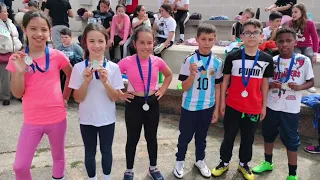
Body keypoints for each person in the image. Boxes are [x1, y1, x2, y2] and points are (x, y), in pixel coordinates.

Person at [7, 10, 72, 180]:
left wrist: (65, 96)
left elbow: (71, 74)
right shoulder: (17, 59)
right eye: (33, 28)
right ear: (24, 29)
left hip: (57, 118)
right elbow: (16, 92)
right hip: (32, 121)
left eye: (44, 29)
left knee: (58, 158)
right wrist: (20, 72)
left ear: (49, 31)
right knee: (20, 167)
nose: (39, 33)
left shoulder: (58, 56)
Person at [211, 19, 274, 180]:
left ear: (261, 36)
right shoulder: (233, 56)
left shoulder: (267, 59)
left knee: (248, 138)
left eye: (255, 33)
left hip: (253, 107)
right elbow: (225, 80)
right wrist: (223, 102)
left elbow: (265, 85)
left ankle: (244, 163)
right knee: (229, 136)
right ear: (242, 36)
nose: (251, 36)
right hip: (233, 105)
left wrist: (264, 106)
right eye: (247, 33)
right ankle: (224, 162)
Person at [252, 27, 315, 180]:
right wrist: (272, 84)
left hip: (291, 109)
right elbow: (263, 83)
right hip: (272, 106)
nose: (284, 44)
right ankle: (268, 162)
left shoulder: (303, 60)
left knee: (292, 141)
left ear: (295, 42)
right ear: (276, 43)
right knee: (268, 135)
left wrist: (300, 87)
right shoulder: (272, 61)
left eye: (288, 41)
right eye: (280, 41)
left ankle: (292, 174)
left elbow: (311, 81)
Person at [69, 23, 124, 180]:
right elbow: (78, 98)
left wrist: (106, 82)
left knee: (106, 150)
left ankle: (107, 177)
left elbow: (115, 97)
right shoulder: (79, 68)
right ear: (85, 42)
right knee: (89, 152)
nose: (96, 45)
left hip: (107, 119)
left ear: (107, 43)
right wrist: (85, 82)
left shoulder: (113, 68)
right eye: (91, 41)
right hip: (87, 119)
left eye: (100, 41)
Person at [118, 25, 173, 180]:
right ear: (135, 44)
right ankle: (129, 170)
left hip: (152, 103)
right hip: (134, 104)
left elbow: (168, 76)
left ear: (154, 43)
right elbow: (111, 76)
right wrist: (120, 94)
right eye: (142, 42)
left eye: (149, 42)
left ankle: (153, 168)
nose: (146, 46)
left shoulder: (157, 61)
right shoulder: (126, 62)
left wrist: (162, 90)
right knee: (132, 138)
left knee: (151, 137)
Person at [173, 23, 223, 178]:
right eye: (203, 39)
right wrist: (192, 75)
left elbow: (218, 87)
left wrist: (216, 109)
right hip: (190, 106)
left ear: (215, 40)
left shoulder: (217, 62)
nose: (206, 43)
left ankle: (200, 160)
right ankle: (179, 160)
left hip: (208, 106)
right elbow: (184, 87)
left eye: (210, 39)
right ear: (197, 40)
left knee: (202, 137)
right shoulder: (189, 60)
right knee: (185, 137)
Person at [289, 3, 318, 93]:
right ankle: (296, 81)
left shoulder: (309, 23)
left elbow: (315, 38)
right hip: (296, 46)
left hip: (307, 46)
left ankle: (309, 83)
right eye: (292, 12)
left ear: (302, 12)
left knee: (308, 57)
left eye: (296, 12)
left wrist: (315, 53)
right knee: (298, 57)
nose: (293, 14)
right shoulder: (290, 23)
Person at [0, 2, 22, 106]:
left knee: (16, 75)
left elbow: (15, 37)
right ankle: (5, 97)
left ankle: (16, 94)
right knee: (5, 77)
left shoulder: (10, 22)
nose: (7, 14)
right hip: (3, 54)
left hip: (15, 52)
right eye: (5, 12)